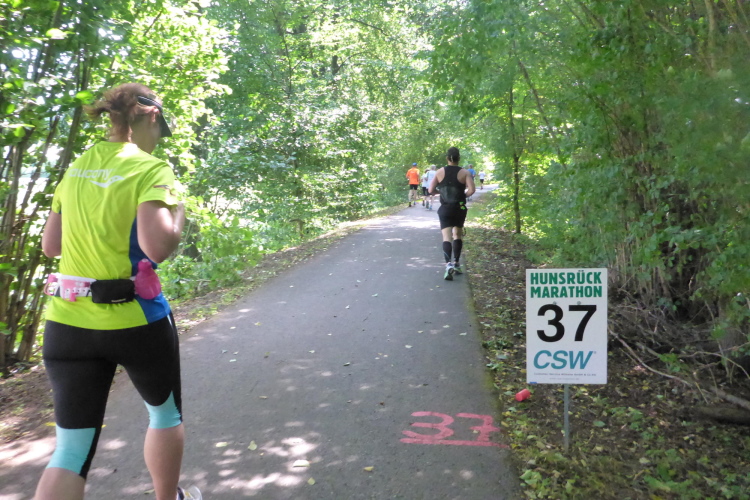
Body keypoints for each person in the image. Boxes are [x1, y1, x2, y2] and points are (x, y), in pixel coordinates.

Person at [35, 83, 201, 500]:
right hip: (135, 320)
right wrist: (179, 211)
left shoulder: (77, 167)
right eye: (160, 129)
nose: (158, 139)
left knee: (70, 451)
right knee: (164, 416)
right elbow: (157, 246)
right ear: (150, 116)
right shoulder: (151, 169)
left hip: (66, 323)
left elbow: (51, 246)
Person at [429, 147, 475, 280]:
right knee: (457, 235)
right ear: (459, 158)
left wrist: (441, 193)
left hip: (445, 209)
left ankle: (448, 264)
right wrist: (462, 196)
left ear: (447, 158)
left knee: (446, 237)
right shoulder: (465, 173)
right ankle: (457, 263)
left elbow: (431, 190)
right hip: (459, 208)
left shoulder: (439, 172)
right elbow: (471, 190)